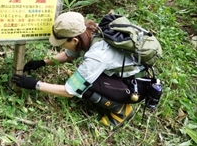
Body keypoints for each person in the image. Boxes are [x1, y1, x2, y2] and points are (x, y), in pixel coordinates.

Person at [11, 12, 150, 127]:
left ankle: (121, 110)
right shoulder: (90, 32)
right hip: (123, 76)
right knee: (84, 78)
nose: (62, 46)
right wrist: (42, 62)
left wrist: (35, 84)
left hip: (134, 87)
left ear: (74, 40)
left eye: (63, 43)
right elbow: (68, 55)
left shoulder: (97, 55)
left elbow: (70, 91)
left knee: (84, 84)